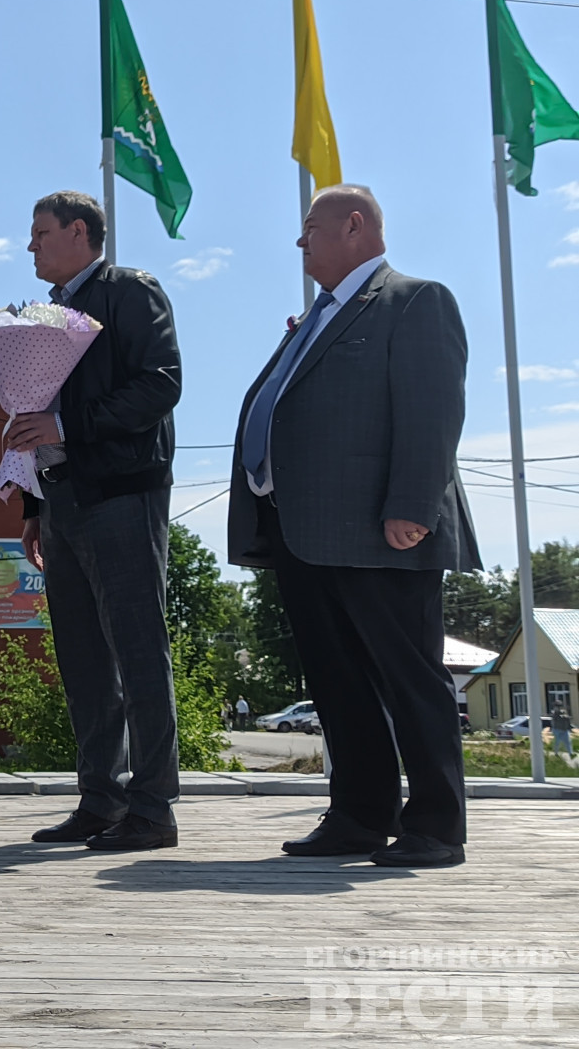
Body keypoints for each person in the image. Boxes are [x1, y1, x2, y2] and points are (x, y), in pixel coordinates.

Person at [227, 184, 477, 868]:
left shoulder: (412, 300)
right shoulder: (316, 317)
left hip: (380, 528)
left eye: (311, 227)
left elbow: (431, 410)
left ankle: (433, 827)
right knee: (337, 683)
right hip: (302, 530)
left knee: (407, 677)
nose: (300, 241)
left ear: (355, 225)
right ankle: (358, 818)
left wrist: (411, 505)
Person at [9, 191, 183, 852]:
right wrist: (34, 505)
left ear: (79, 232)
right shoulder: (44, 314)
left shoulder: (130, 293)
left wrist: (63, 426)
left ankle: (152, 809)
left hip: (121, 496)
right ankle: (100, 800)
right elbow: (32, 410)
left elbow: (159, 385)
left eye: (40, 233)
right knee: (82, 660)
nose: (31, 245)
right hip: (62, 503)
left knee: (137, 654)